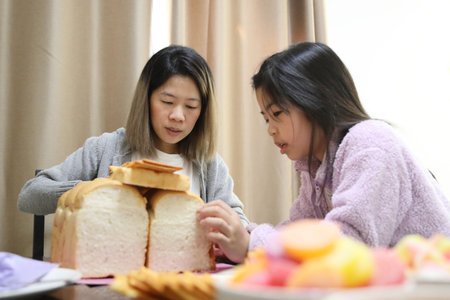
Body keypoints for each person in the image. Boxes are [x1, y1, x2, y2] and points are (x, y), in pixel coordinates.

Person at [196, 42, 450, 263]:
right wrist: (244, 237)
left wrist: (251, 245)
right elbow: (300, 232)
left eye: (277, 114)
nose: (271, 130)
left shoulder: (371, 142)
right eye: (266, 119)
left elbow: (350, 246)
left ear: (315, 101)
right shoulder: (316, 164)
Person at [18, 45, 249, 230]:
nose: (178, 116)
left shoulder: (209, 165)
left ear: (203, 112)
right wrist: (94, 190)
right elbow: (30, 195)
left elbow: (241, 223)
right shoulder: (106, 148)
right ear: (146, 99)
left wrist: (229, 228)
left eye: (191, 106)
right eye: (167, 102)